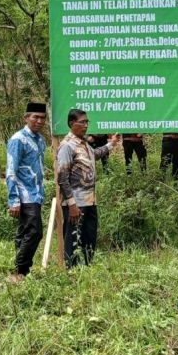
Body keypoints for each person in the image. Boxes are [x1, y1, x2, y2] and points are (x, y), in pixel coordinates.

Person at [57, 109, 120, 268]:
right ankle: (71, 273)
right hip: (76, 204)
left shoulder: (84, 143)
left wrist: (111, 144)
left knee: (89, 238)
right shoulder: (67, 146)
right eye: (82, 122)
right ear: (72, 123)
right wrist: (71, 204)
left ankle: (86, 270)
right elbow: (62, 177)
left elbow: (95, 155)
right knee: (73, 240)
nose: (86, 125)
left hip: (90, 201)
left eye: (87, 122)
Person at [5, 102, 48, 282]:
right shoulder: (18, 139)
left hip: (36, 193)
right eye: (35, 117)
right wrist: (14, 199)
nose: (39, 121)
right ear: (26, 118)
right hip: (24, 194)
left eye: (42, 118)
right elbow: (11, 170)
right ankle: (21, 270)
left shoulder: (40, 140)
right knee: (35, 232)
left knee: (24, 232)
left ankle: (19, 272)